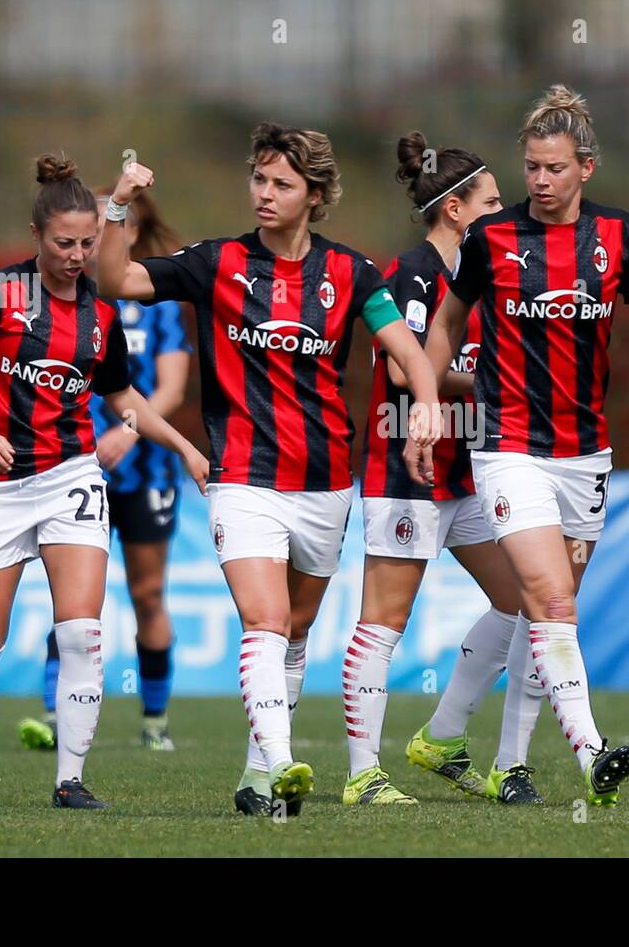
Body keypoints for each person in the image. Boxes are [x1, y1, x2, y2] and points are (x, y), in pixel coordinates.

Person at [96, 123, 442, 816]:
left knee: (297, 632)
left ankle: (258, 777)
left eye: (281, 183)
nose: (264, 193)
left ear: (315, 195)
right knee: (265, 620)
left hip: (323, 481)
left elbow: (406, 349)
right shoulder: (215, 262)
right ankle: (285, 761)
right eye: (259, 178)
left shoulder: (351, 273)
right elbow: (118, 278)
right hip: (242, 477)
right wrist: (117, 208)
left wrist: (429, 401)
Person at [0, 154, 208, 809]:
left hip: (71, 476)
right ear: (37, 235)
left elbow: (124, 396)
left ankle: (69, 778)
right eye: (64, 243)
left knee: (82, 631)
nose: (76, 255)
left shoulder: (103, 316)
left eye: (87, 243)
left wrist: (181, 445)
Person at [419, 84, 629, 807]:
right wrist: (429, 394)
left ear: (587, 169)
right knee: (548, 597)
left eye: (554, 168)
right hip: (509, 447)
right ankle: (592, 751)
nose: (539, 181)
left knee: (551, 610)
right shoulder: (492, 240)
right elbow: (446, 324)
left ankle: (511, 763)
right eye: (531, 168)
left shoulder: (620, 236)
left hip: (586, 454)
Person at [342, 131, 531, 806]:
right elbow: (401, 366)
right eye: (493, 201)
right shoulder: (416, 272)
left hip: (468, 470)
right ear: (455, 210)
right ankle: (362, 773)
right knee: (383, 623)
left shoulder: (482, 273)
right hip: (408, 471)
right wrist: (490, 386)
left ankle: (443, 734)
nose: (505, 212)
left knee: (526, 603)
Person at [20, 188, 193, 753]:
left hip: (144, 471)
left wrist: (126, 430)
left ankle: (154, 721)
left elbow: (169, 389)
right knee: (72, 597)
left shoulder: (158, 302)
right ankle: (52, 714)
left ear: (132, 233)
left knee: (146, 593)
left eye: (110, 226)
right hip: (70, 467)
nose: (89, 244)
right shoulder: (63, 296)